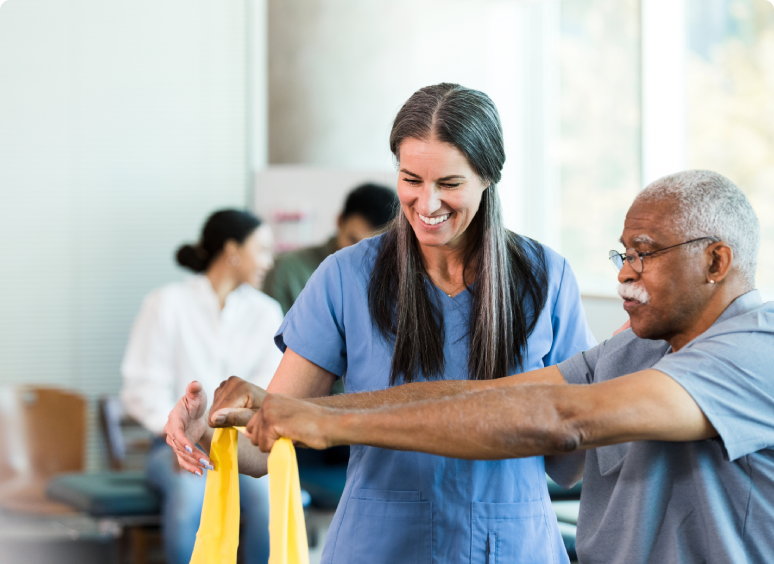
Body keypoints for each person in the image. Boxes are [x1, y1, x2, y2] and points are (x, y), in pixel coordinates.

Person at [166, 83, 596, 564]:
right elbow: (270, 443)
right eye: (411, 179)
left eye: (449, 184)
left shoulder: (545, 278)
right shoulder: (346, 277)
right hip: (381, 545)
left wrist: (609, 384)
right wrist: (205, 428)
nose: (427, 204)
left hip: (513, 546)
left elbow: (569, 465)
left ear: (488, 177)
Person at [248, 170, 774, 564]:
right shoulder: (633, 350)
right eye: (622, 257)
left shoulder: (758, 349)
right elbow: (487, 397)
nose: (625, 276)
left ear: (715, 262)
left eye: (644, 254)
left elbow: (562, 421)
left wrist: (327, 421)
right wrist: (287, 409)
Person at [120, 209, 283, 564]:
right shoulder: (166, 304)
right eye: (264, 250)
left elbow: (268, 392)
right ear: (233, 250)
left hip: (241, 447)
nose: (269, 263)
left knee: (266, 498)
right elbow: (142, 389)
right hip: (170, 448)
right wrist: (184, 439)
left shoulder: (267, 313)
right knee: (189, 494)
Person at [263, 182, 399, 314]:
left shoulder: (395, 280)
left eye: (372, 246)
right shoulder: (288, 270)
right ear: (340, 221)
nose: (359, 252)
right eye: (353, 239)